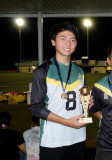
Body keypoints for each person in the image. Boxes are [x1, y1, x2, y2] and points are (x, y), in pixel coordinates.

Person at [29, 21, 93, 160]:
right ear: (53, 42)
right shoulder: (42, 71)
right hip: (53, 140)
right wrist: (66, 122)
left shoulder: (80, 71)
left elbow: (80, 103)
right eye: (62, 38)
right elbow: (36, 107)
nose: (68, 43)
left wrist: (87, 104)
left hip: (78, 137)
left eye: (72, 40)